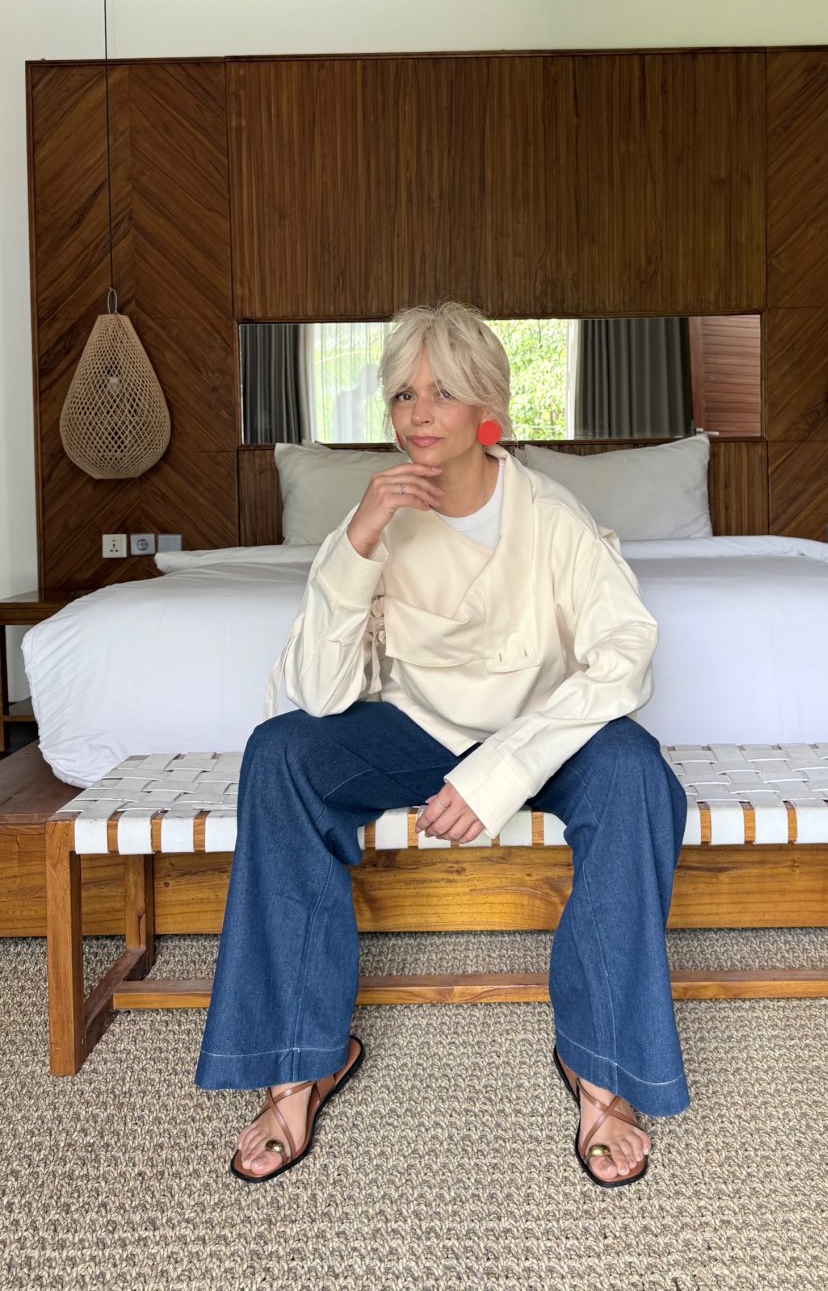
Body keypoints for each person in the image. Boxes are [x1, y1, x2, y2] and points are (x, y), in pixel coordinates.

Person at [196, 302, 689, 1189]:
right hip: (415, 728)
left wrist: (503, 770)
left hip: (541, 735)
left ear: (488, 407)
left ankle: (601, 1064)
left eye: (444, 392)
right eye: (402, 394)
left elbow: (627, 652)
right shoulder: (376, 520)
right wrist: (356, 543)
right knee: (280, 753)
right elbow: (319, 694)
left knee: (635, 770)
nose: (418, 413)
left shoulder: (552, 517)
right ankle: (300, 1061)